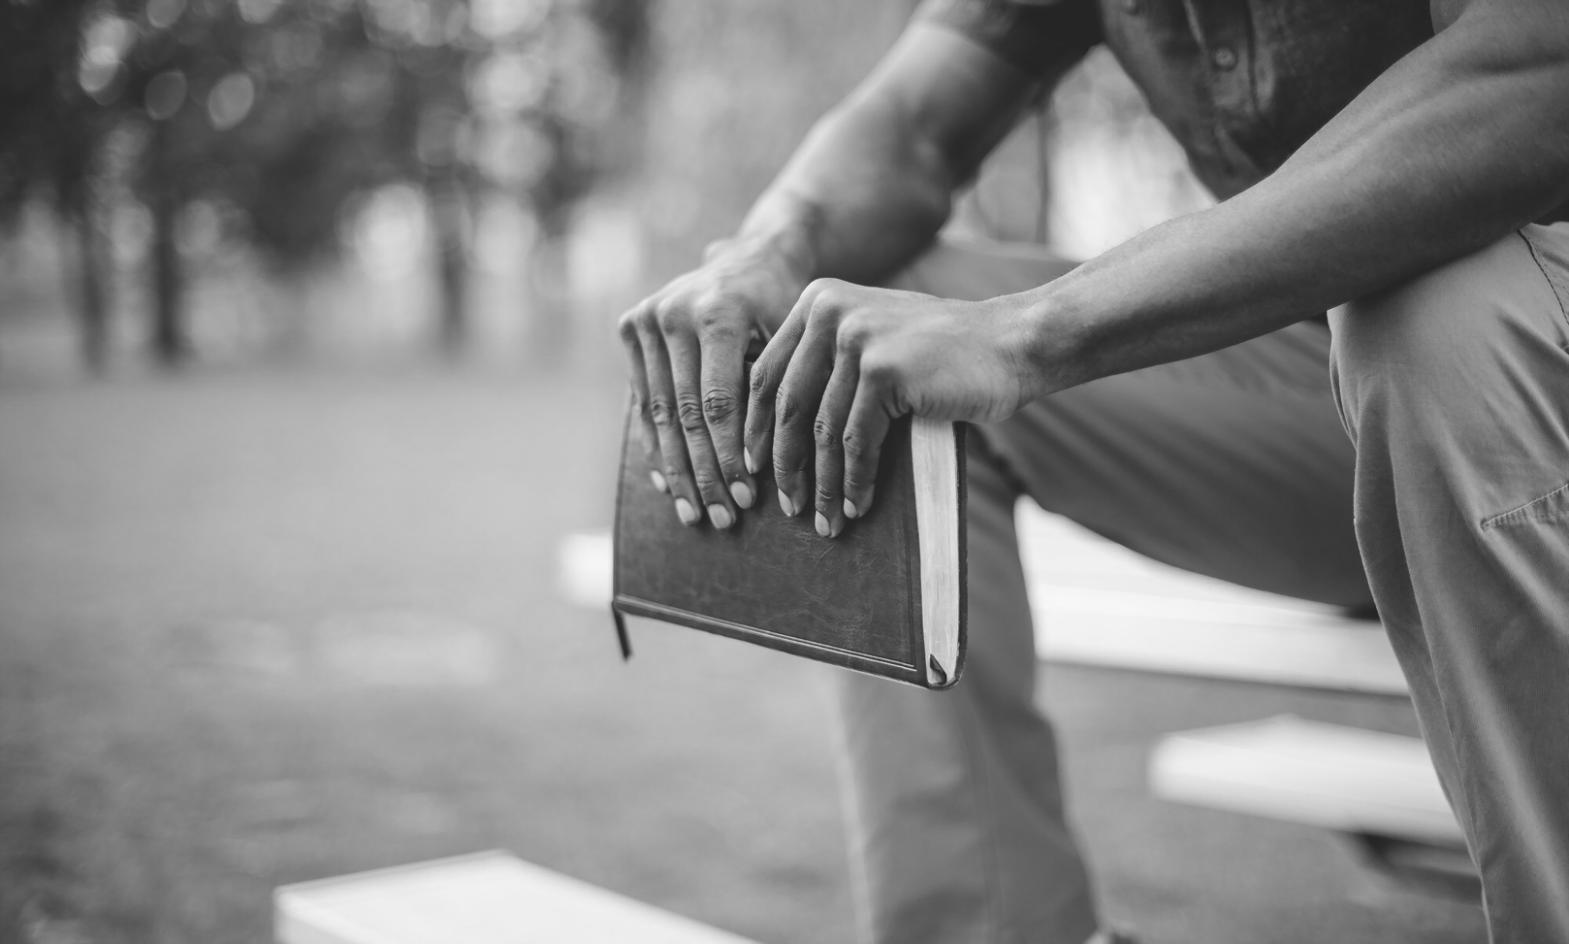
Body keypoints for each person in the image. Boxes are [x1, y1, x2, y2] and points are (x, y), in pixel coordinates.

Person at [616, 1, 1569, 941]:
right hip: (1354, 406)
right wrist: (763, 254)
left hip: (1505, 363)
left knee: (1436, 317)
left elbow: (1531, 76)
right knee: (866, 344)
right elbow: (907, 122)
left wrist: (1028, 334)